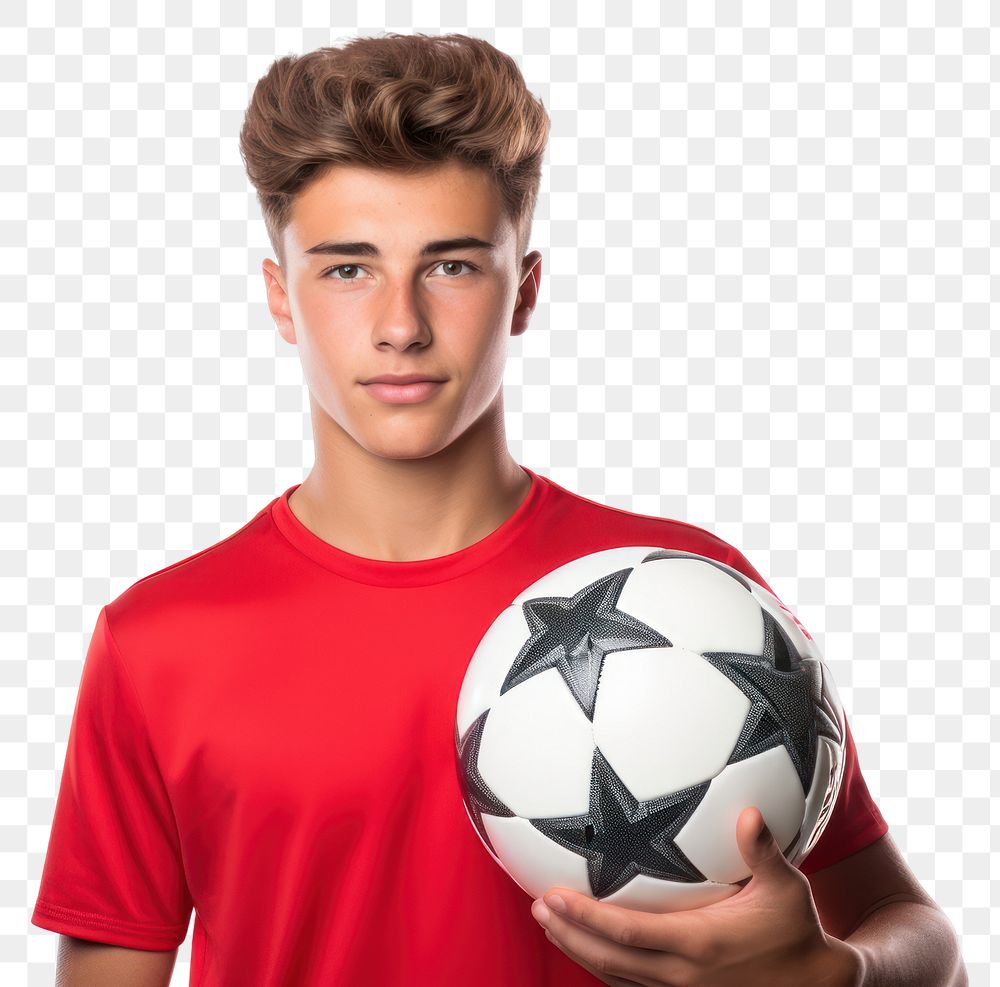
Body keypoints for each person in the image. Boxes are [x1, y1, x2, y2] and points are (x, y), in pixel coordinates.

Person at [30, 31, 965, 987]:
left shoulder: (685, 595)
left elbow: (923, 941)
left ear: (524, 290)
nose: (401, 325)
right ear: (282, 296)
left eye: (453, 266)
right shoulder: (159, 640)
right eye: (348, 268)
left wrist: (835, 976)